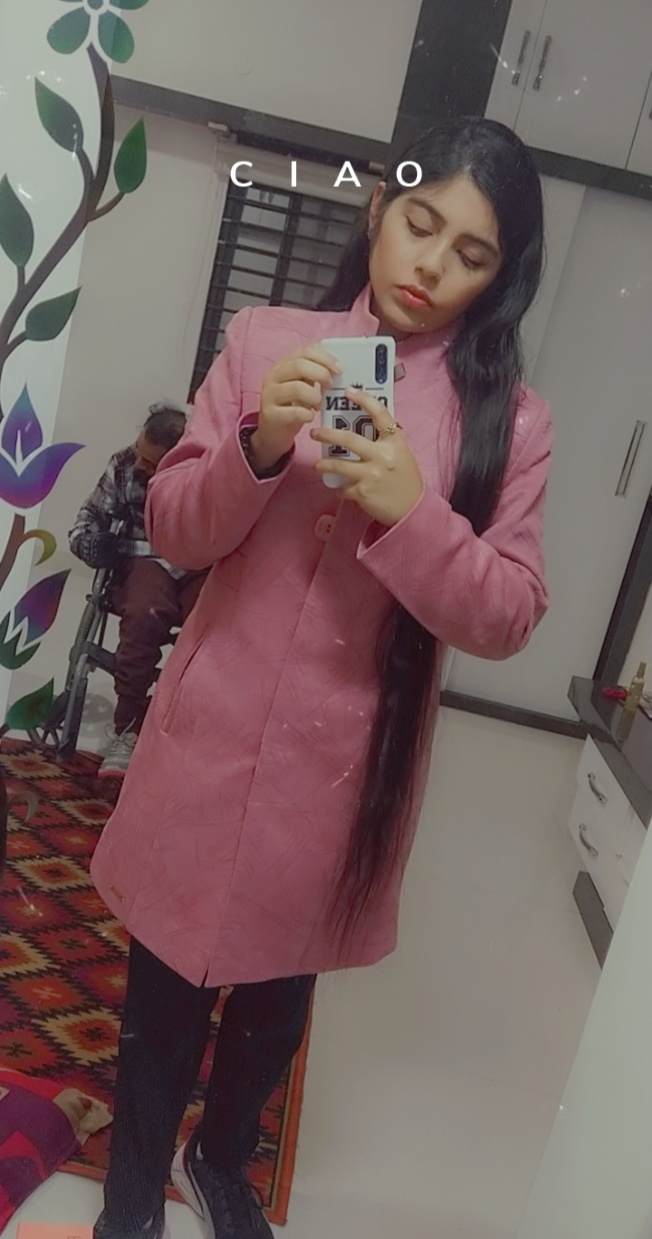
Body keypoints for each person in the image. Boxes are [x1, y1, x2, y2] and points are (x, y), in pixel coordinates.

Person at [90, 118, 553, 1239]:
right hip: (212, 736)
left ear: (499, 279)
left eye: (471, 254)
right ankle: (129, 1202)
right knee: (162, 999)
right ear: (379, 208)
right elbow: (174, 529)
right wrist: (256, 446)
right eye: (420, 223)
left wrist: (413, 511)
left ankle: (220, 1161)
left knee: (274, 1002)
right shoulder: (266, 341)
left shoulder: (511, 423)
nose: (431, 265)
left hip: (341, 774)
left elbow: (507, 613)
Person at [68, 405, 207, 779]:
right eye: (141, 452)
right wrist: (89, 543)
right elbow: (85, 520)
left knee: (216, 628)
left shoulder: (205, 472)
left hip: (199, 561)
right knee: (146, 615)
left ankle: (186, 730)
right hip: (144, 556)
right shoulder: (125, 464)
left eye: (153, 462)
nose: (142, 464)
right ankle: (128, 728)